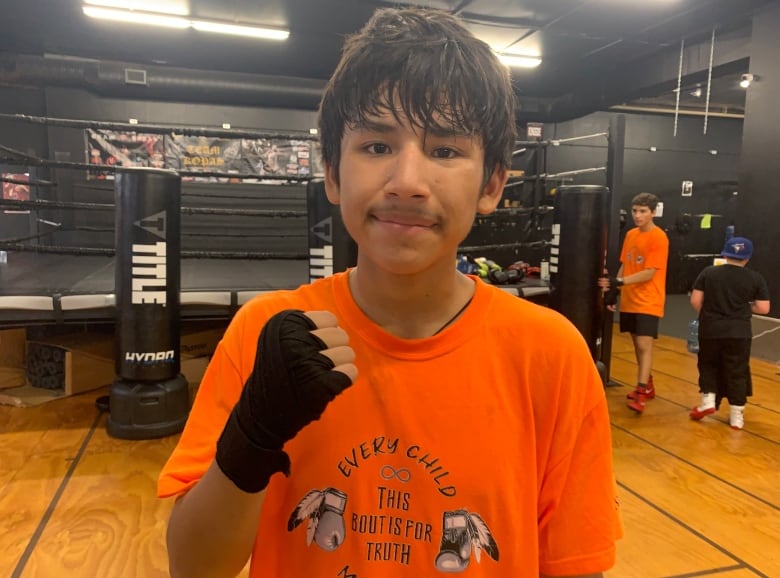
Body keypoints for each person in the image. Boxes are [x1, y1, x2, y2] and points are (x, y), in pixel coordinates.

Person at [158, 8, 621, 577]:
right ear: (332, 173)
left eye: (445, 150)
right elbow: (194, 567)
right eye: (376, 145)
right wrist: (252, 436)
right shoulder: (266, 331)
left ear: (493, 184)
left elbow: (577, 566)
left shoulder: (550, 355)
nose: (407, 181)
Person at [688, 236, 770, 429]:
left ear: (725, 254)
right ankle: (736, 416)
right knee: (738, 371)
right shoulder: (755, 278)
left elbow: (695, 301)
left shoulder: (708, 273)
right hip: (739, 332)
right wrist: (742, 308)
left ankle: (708, 400)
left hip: (710, 329)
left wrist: (710, 314)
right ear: (747, 258)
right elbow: (764, 308)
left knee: (708, 364)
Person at [599, 192, 669, 413]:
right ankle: (647, 384)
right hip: (631, 299)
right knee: (636, 345)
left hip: (649, 299)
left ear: (653, 212)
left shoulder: (659, 238)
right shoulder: (630, 235)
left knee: (643, 345)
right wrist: (614, 291)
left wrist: (619, 280)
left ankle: (640, 392)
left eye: (643, 211)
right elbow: (624, 264)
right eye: (635, 211)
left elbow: (649, 273)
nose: (637, 216)